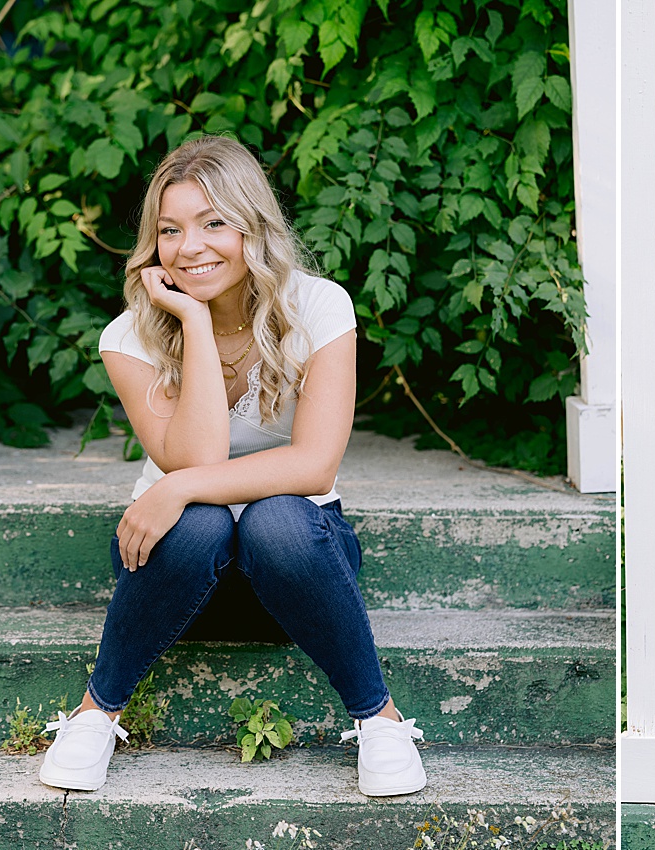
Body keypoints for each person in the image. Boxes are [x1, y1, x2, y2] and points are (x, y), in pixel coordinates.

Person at [38, 136, 425, 797]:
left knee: (275, 519)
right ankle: (95, 715)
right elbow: (200, 456)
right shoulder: (128, 337)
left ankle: (380, 721)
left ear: (254, 225)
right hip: (178, 580)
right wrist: (192, 320)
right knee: (199, 523)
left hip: (300, 571)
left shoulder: (318, 307)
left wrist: (179, 487)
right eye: (170, 230)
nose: (190, 247)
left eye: (213, 222)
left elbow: (313, 466)